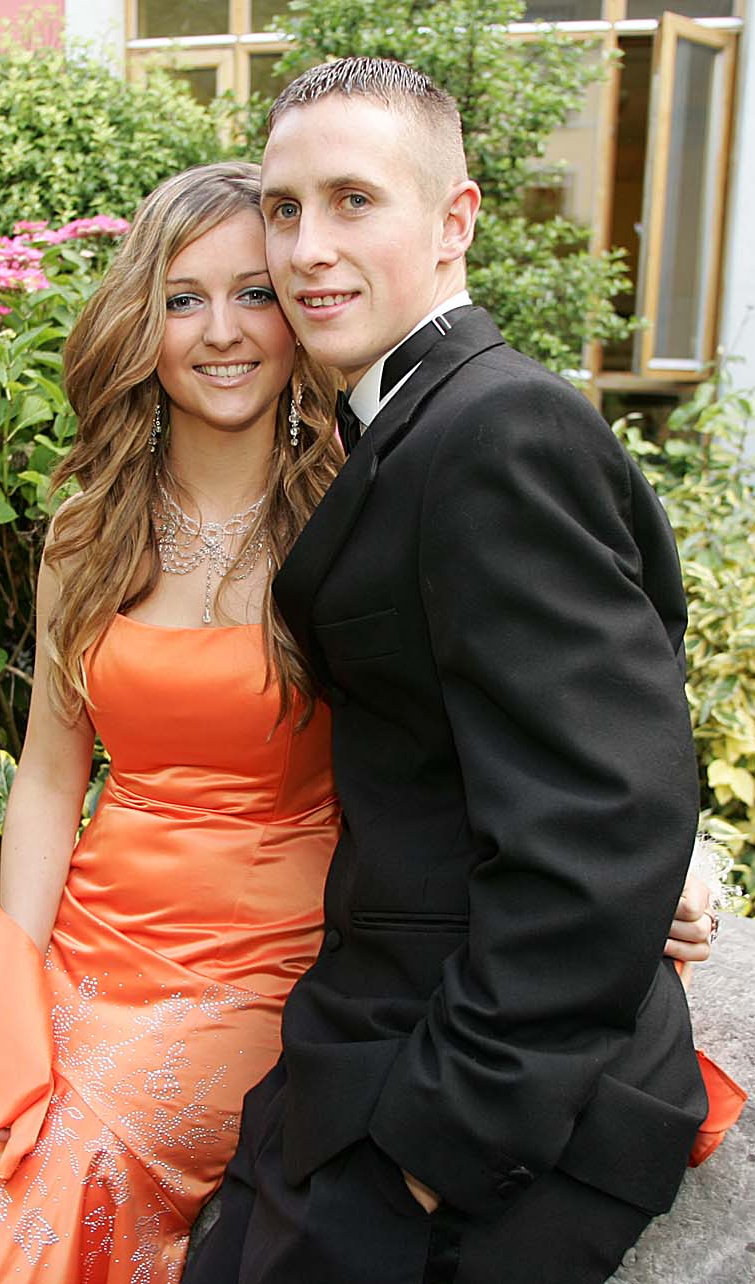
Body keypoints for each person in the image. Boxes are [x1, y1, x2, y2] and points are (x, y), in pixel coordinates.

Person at [0, 162, 718, 1284]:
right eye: (183, 298)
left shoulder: (363, 508)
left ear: (300, 313)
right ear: (141, 323)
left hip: (273, 954)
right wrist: (14, 949)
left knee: (78, 1156)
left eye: (254, 293)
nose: (223, 332)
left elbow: (518, 725)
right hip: (97, 940)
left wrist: (663, 860)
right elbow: (53, 775)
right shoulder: (85, 535)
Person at [181, 57, 714, 1284]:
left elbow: (602, 816)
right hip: (368, 1035)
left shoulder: (497, 429)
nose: (306, 249)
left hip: (491, 1106)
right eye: (284, 207)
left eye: (353, 201)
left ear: (456, 219)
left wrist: (434, 1149)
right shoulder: (405, 418)